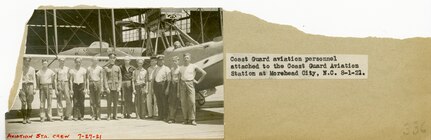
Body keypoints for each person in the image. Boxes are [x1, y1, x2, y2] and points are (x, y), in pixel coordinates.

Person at [179, 53, 207, 125]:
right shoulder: (181, 68)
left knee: (192, 102)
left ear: (190, 59)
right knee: (183, 103)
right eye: (185, 58)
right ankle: (185, 119)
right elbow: (179, 78)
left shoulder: (193, 66)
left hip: (190, 84)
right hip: (182, 84)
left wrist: (197, 81)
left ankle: (192, 119)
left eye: (187, 58)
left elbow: (204, 73)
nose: (186, 59)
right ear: (183, 59)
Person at [104, 53, 122, 120]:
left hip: (116, 87)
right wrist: (106, 87)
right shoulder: (106, 68)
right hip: (109, 87)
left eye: (113, 58)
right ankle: (108, 115)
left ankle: (115, 115)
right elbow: (105, 78)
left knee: (116, 102)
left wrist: (119, 86)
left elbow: (120, 78)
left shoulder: (118, 68)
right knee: (109, 102)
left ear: (115, 59)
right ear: (109, 59)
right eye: (111, 58)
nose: (112, 59)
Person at [152, 55, 171, 121]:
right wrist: (153, 88)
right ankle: (160, 116)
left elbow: (169, 80)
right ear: (157, 61)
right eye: (159, 60)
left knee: (164, 102)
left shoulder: (166, 68)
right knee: (158, 101)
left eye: (161, 60)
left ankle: (166, 116)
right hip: (157, 86)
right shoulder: (156, 69)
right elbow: (153, 79)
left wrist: (167, 88)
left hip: (163, 85)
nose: (160, 61)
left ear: (163, 61)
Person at [19, 57, 37, 124]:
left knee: (29, 103)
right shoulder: (20, 68)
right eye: (26, 61)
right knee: (23, 103)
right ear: (24, 61)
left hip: (30, 85)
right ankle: (24, 118)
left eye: (28, 61)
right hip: (22, 86)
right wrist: (19, 88)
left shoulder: (32, 69)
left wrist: (34, 88)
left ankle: (28, 118)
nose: (27, 62)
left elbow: (34, 79)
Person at [167, 56, 181, 124]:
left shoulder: (180, 69)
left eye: (176, 61)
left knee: (176, 103)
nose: (175, 62)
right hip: (172, 86)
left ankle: (174, 118)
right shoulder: (172, 69)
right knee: (171, 102)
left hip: (177, 86)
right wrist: (167, 88)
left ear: (178, 61)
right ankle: (171, 117)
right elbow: (170, 79)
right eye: (173, 61)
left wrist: (178, 91)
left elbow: (179, 81)